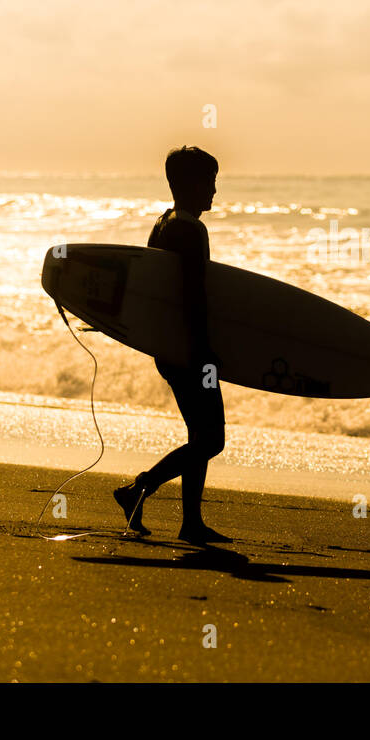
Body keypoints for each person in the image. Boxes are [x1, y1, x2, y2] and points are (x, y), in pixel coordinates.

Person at [113, 146, 231, 545]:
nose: (214, 190)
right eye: (209, 182)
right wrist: (206, 351)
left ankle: (191, 522)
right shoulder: (190, 230)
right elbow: (192, 296)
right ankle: (139, 489)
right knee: (212, 439)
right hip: (189, 350)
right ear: (189, 184)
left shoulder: (163, 223)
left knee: (200, 435)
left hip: (168, 347)